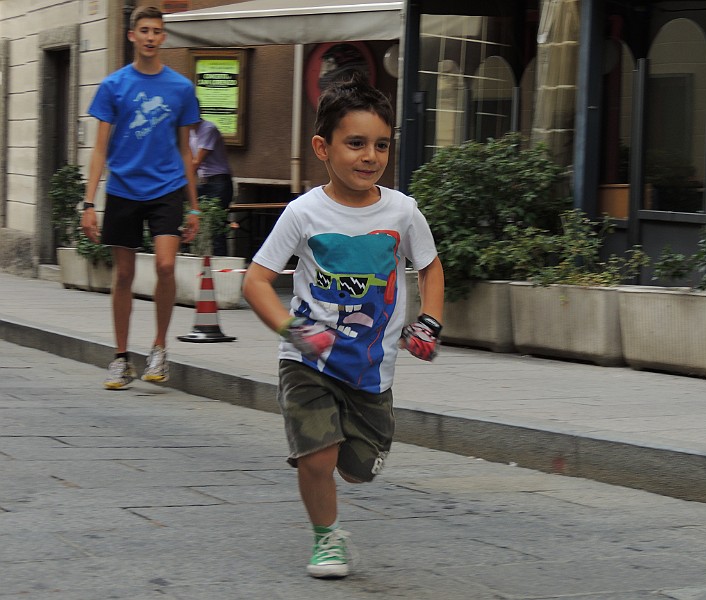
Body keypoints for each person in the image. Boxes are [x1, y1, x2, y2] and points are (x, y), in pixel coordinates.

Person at [242, 74, 445, 579]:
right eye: (355, 143)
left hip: (372, 367)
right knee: (317, 456)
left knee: (355, 470)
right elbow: (256, 281)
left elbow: (431, 266)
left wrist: (430, 320)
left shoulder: (402, 211)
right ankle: (326, 539)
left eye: (381, 145)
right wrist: (292, 330)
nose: (369, 156)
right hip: (308, 359)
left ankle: (357, 457)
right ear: (323, 147)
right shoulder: (303, 212)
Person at [80, 5, 201, 390]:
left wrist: (194, 206)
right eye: (144, 30)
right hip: (123, 189)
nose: (150, 37)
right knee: (125, 274)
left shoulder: (180, 88)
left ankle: (159, 349)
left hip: (166, 189)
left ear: (163, 37)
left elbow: (186, 150)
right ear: (132, 36)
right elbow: (99, 149)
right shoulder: (114, 85)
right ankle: (120, 358)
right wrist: (88, 203)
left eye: (156, 31)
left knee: (166, 266)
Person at [190, 115, 233, 255]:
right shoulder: (189, 132)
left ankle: (221, 266)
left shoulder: (208, 128)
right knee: (183, 210)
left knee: (216, 227)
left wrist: (182, 180)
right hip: (204, 183)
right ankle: (187, 252)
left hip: (218, 183)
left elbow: (196, 162)